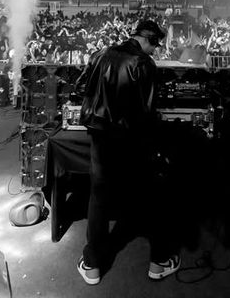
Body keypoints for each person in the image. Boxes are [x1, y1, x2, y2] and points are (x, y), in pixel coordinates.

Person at [75, 19, 181, 286]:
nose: (155, 50)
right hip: (131, 141)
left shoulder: (100, 54)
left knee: (98, 198)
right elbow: (147, 112)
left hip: (100, 138)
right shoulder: (144, 64)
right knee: (153, 198)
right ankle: (159, 263)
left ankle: (92, 266)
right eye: (155, 45)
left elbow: (79, 88)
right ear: (148, 40)